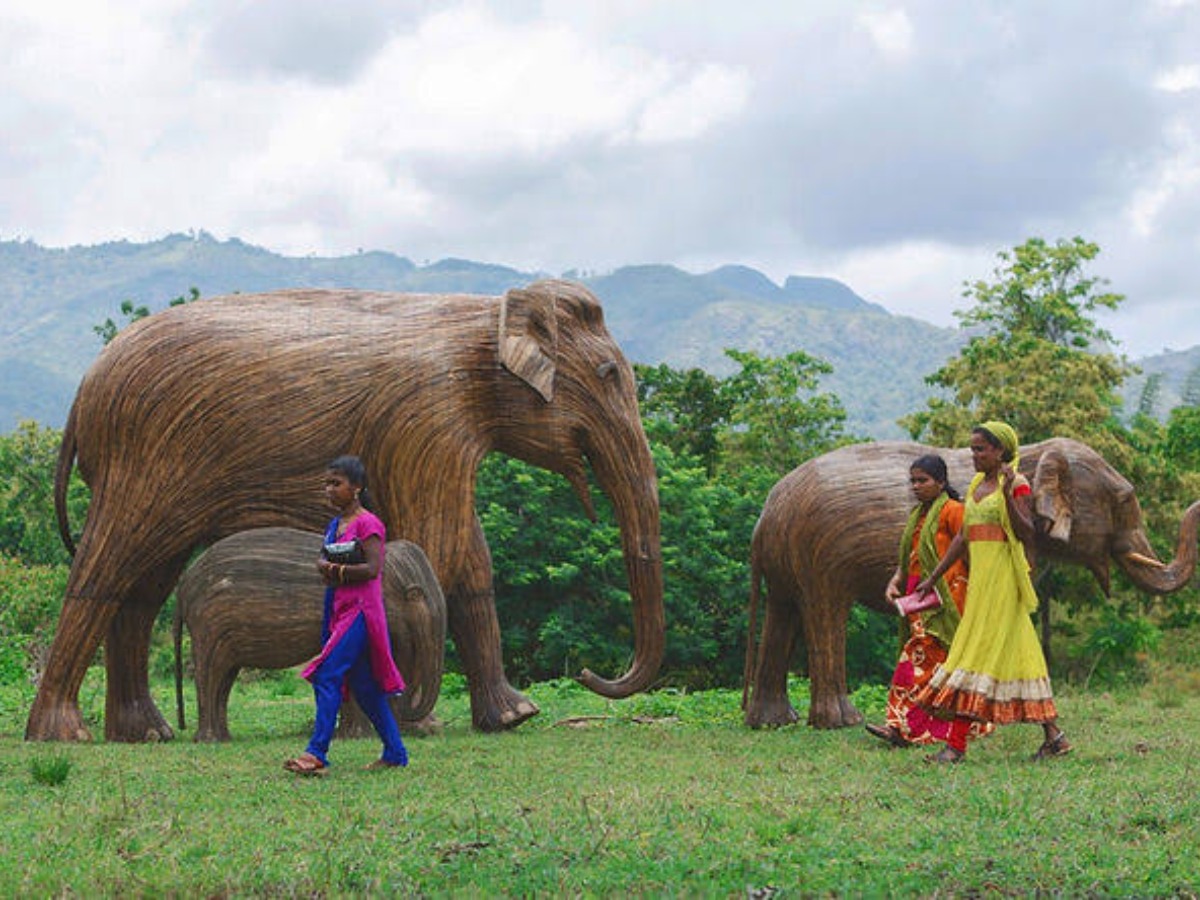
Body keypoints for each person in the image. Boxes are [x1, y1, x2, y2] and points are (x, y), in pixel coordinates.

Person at [914, 422, 1071, 764]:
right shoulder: (974, 486)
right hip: (981, 582)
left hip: (1004, 579)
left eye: (980, 449)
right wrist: (934, 576)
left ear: (1000, 451)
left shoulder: (1018, 485)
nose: (974, 455)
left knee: (976, 652)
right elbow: (964, 537)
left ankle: (955, 746)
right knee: (1019, 651)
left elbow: (1028, 533)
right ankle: (1054, 737)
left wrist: (1009, 496)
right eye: (972, 449)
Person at [284, 455, 409, 775]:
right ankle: (395, 753)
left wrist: (334, 569)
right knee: (365, 686)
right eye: (327, 484)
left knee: (326, 674)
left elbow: (372, 569)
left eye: (336, 483)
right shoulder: (333, 526)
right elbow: (325, 565)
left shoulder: (369, 523)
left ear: (356, 488)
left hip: (361, 612)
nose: (329, 490)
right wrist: (326, 569)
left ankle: (317, 753)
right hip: (338, 609)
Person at [866, 454, 988, 748]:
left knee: (918, 660)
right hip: (917, 595)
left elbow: (970, 552)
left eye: (923, 480)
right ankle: (917, 727)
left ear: (941, 482)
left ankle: (899, 725)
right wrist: (896, 579)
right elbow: (911, 555)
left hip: (945, 597)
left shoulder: (953, 510)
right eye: (913, 481)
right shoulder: (919, 514)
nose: (916, 486)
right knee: (928, 663)